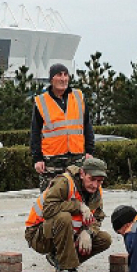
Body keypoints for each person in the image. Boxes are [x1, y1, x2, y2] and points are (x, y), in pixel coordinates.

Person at [24, 157, 112, 272]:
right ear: (82, 174)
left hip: (65, 234)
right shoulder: (65, 182)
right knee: (64, 217)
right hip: (39, 235)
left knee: (104, 239)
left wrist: (87, 232)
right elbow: (49, 209)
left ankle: (59, 258)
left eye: (100, 181)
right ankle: (66, 267)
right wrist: (79, 206)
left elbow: (97, 218)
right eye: (91, 179)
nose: (95, 185)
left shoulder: (97, 192)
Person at [30, 63, 95, 191]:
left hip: (77, 157)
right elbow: (35, 132)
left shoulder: (78, 97)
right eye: (59, 75)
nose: (63, 78)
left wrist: (89, 151)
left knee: (77, 194)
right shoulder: (41, 101)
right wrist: (37, 159)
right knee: (50, 196)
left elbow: (87, 125)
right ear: (51, 79)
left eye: (66, 75)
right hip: (52, 159)